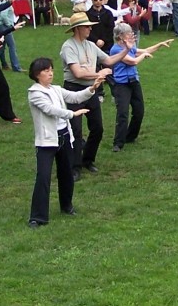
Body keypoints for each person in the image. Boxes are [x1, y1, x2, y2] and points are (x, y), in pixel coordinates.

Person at [26, 57, 110, 229]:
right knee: (43, 177)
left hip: (64, 136)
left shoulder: (56, 89)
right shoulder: (34, 93)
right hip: (47, 141)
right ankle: (38, 217)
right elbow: (51, 110)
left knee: (66, 174)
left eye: (51, 70)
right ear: (36, 75)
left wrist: (93, 87)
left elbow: (75, 96)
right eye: (46, 71)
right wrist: (72, 114)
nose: (50, 73)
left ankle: (67, 206)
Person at [60, 12, 129, 178]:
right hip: (73, 90)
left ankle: (88, 160)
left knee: (97, 128)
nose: (90, 29)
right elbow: (77, 73)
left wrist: (127, 49)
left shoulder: (90, 46)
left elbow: (109, 61)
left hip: (91, 90)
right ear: (77, 29)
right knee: (75, 130)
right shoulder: (68, 47)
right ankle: (75, 167)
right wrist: (99, 74)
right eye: (87, 26)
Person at [108, 23, 173, 152]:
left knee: (139, 111)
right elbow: (133, 61)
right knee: (123, 113)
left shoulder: (130, 47)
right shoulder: (116, 50)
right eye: (128, 33)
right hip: (122, 85)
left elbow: (146, 50)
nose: (132, 35)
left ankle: (130, 137)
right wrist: (143, 56)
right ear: (121, 36)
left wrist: (160, 44)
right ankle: (118, 143)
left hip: (134, 82)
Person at [0, 0, 26, 72]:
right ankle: (16, 67)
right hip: (3, 26)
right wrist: (9, 25)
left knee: (1, 46)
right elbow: (3, 15)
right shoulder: (5, 3)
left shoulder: (1, 1)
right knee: (12, 46)